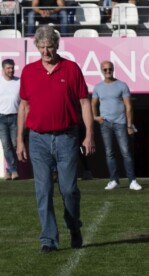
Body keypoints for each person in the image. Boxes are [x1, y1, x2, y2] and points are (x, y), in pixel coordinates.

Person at [16, 26, 95, 254]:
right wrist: (20, 140)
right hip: (38, 140)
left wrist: (89, 134)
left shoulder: (71, 69)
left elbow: (84, 103)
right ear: (37, 48)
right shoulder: (29, 72)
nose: (45, 51)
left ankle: (73, 226)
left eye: (49, 46)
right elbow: (24, 106)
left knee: (69, 189)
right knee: (43, 190)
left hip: (67, 138)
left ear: (56, 46)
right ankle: (48, 239)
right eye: (41, 47)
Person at [92, 60, 142, 191]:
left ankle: (132, 181)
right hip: (105, 124)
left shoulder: (122, 85)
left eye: (110, 69)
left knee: (125, 152)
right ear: (101, 71)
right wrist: (95, 117)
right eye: (105, 69)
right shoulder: (97, 87)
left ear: (113, 70)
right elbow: (92, 104)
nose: (108, 71)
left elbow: (128, 106)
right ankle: (114, 180)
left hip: (121, 123)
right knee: (109, 153)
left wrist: (129, 125)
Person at [0, 58, 20, 180]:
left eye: (12, 68)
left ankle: (9, 169)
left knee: (14, 144)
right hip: (1, 118)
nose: (11, 70)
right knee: (6, 145)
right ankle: (13, 170)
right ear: (3, 69)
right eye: (8, 68)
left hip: (15, 117)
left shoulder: (19, 81)